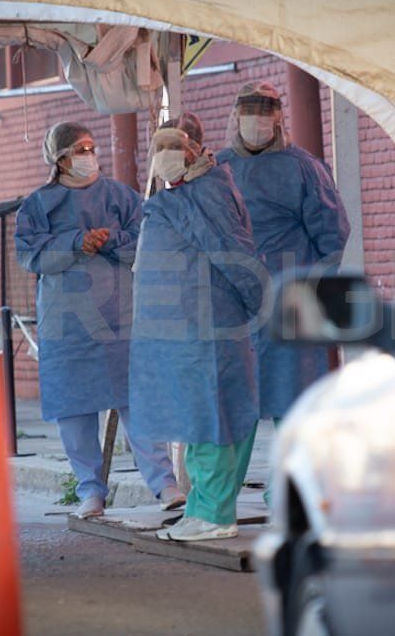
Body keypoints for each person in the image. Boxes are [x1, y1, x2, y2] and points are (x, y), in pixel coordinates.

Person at [16, 121, 183, 519]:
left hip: (121, 316)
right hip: (67, 322)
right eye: (80, 150)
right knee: (74, 411)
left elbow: (147, 241)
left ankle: (164, 484)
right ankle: (91, 491)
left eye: (91, 148)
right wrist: (74, 242)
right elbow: (31, 255)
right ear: (59, 159)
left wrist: (110, 241)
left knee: (138, 400)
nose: (89, 157)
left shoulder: (120, 198)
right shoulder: (38, 206)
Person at [129, 125, 264, 542]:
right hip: (189, 324)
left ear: (195, 152)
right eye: (159, 149)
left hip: (206, 325)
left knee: (210, 416)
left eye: (175, 147)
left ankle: (212, 513)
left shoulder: (206, 192)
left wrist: (260, 301)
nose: (166, 155)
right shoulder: (186, 194)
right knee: (208, 414)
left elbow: (233, 252)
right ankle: (207, 506)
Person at [216, 82, 351, 426]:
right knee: (231, 400)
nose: (257, 122)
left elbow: (332, 233)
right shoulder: (218, 170)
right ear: (236, 116)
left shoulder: (304, 168)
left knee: (293, 391)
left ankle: (291, 473)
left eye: (264, 114)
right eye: (250, 114)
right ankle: (227, 480)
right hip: (233, 297)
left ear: (278, 118)